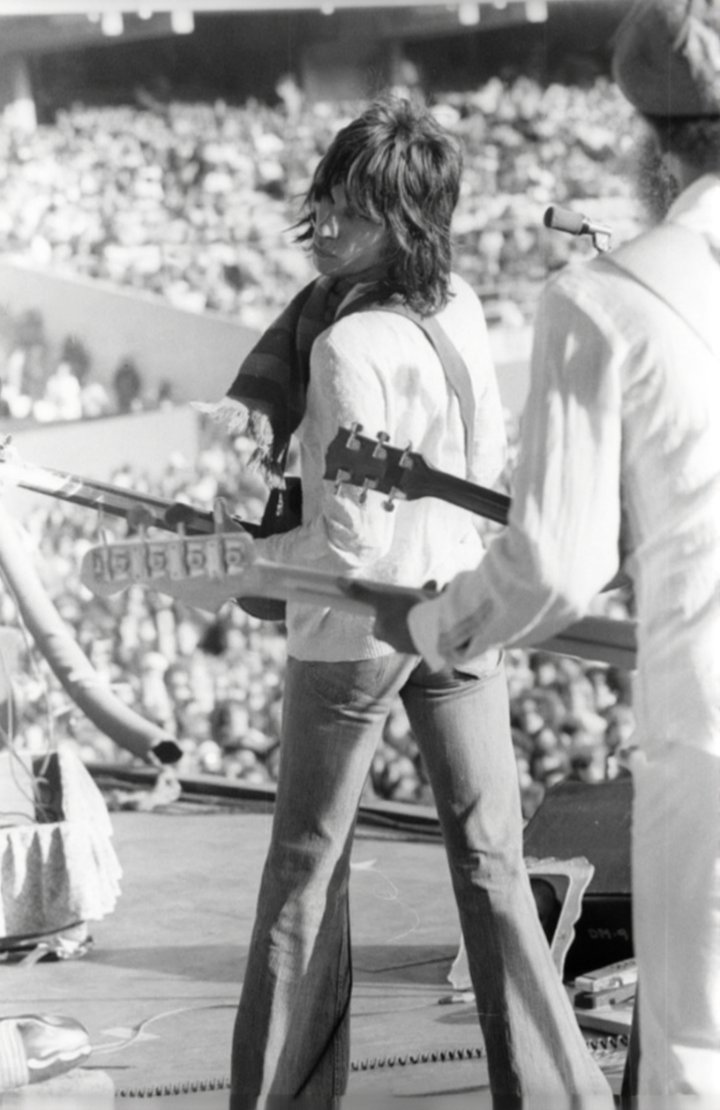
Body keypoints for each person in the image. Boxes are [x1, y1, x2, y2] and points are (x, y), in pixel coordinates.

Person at [205, 95, 612, 1107]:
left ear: (402, 223)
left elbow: (350, 545)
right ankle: (553, 1095)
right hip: (462, 606)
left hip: (354, 635)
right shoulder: (458, 302)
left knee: (305, 872)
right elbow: (478, 461)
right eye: (326, 198)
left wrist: (250, 556)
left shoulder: (342, 348)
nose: (325, 223)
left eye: (352, 209)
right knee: (494, 864)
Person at [372, 2, 720, 1099]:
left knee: (696, 1058)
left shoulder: (603, 299)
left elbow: (558, 567)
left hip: (711, 732)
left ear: (647, 139)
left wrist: (432, 622)